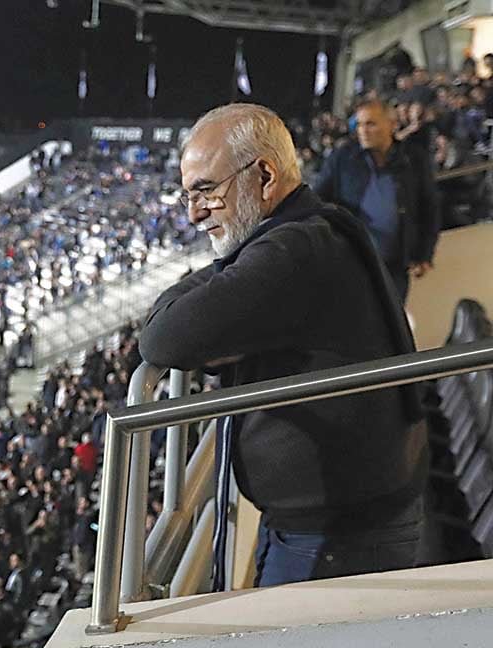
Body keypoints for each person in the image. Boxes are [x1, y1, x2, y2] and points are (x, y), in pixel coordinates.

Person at [140, 103, 427, 589]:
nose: (194, 213)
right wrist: (228, 274)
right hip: (332, 524)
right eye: (188, 195)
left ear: (265, 176)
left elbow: (162, 336)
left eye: (207, 191)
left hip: (337, 537)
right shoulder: (309, 231)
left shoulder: (294, 252)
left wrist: (223, 282)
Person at [314, 98, 440, 302]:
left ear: (392, 125)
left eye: (371, 124)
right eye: (359, 124)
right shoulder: (342, 158)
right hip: (350, 263)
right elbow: (317, 201)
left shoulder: (414, 159)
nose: (363, 131)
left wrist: (424, 254)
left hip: (395, 267)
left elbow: (429, 208)